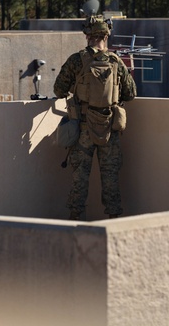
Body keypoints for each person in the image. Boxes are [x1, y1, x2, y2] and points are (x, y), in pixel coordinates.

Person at [54, 15, 137, 220]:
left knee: (79, 179)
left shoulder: (77, 60)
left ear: (87, 35)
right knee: (111, 180)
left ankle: (75, 221)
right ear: (106, 35)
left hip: (83, 129)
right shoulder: (116, 61)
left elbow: (58, 90)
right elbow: (131, 94)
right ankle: (114, 222)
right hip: (110, 128)